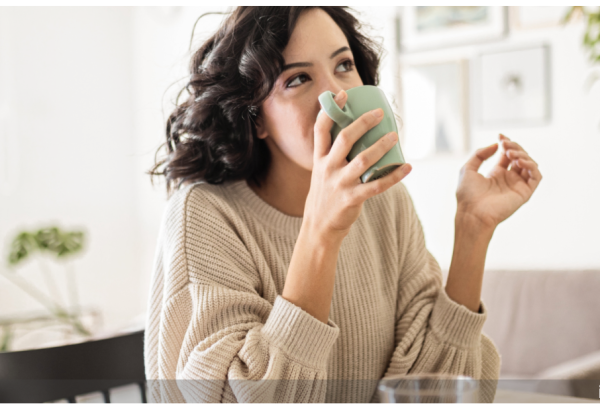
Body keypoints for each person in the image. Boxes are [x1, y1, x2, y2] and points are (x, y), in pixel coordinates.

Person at [144, 6, 542, 403]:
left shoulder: (386, 201)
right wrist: (321, 232)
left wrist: (473, 229)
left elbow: (432, 387)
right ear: (257, 118)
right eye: (298, 78)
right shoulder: (203, 215)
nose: (337, 95)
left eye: (344, 65)